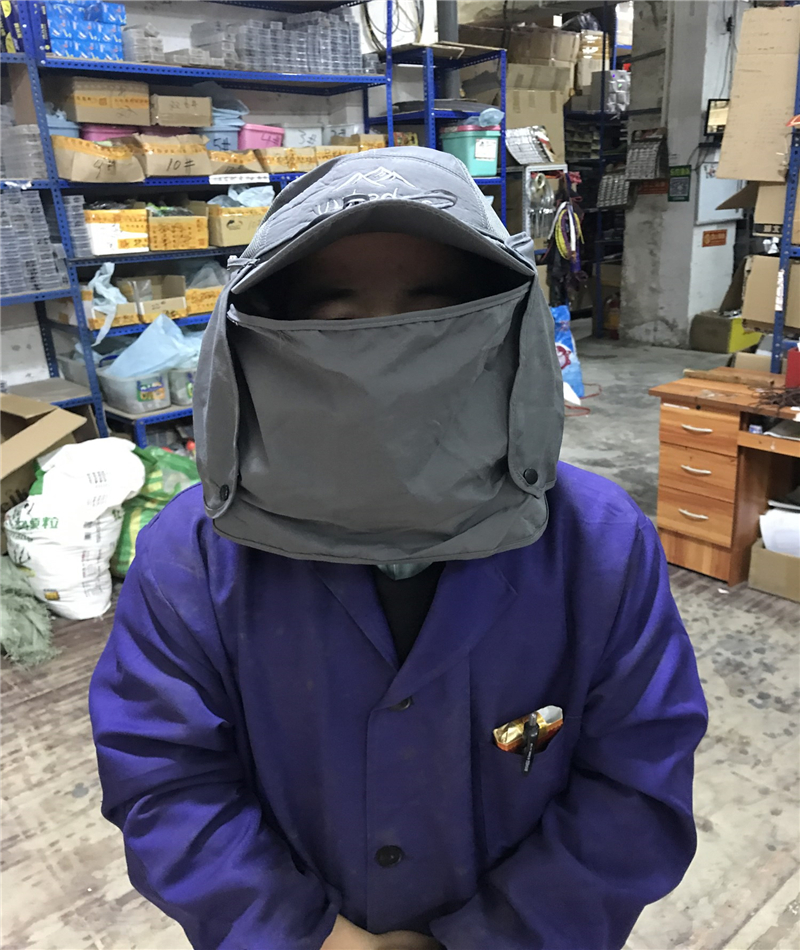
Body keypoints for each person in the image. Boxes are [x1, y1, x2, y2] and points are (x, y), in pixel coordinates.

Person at [89, 148, 708, 950]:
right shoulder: (192, 560)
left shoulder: (600, 546)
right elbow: (163, 776)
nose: (385, 360)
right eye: (339, 319)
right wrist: (304, 936)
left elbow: (638, 778)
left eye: (433, 315)